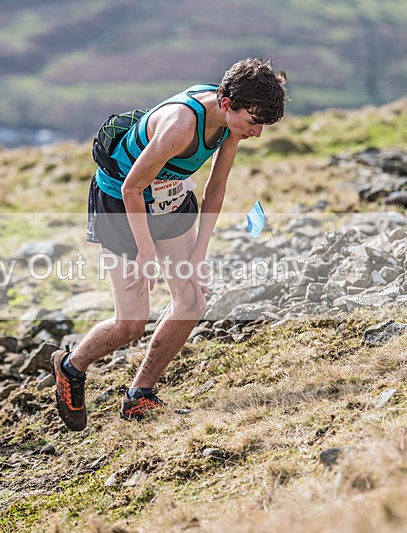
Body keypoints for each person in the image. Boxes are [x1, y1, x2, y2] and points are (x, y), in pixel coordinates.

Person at [52, 58, 288, 431]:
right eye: (253, 123)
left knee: (192, 299)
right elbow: (132, 188)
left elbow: (215, 188)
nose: (256, 133)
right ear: (227, 104)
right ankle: (71, 366)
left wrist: (198, 254)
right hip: (122, 202)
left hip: (172, 196)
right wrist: (145, 251)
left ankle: (139, 396)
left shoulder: (230, 124)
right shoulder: (180, 127)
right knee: (130, 323)